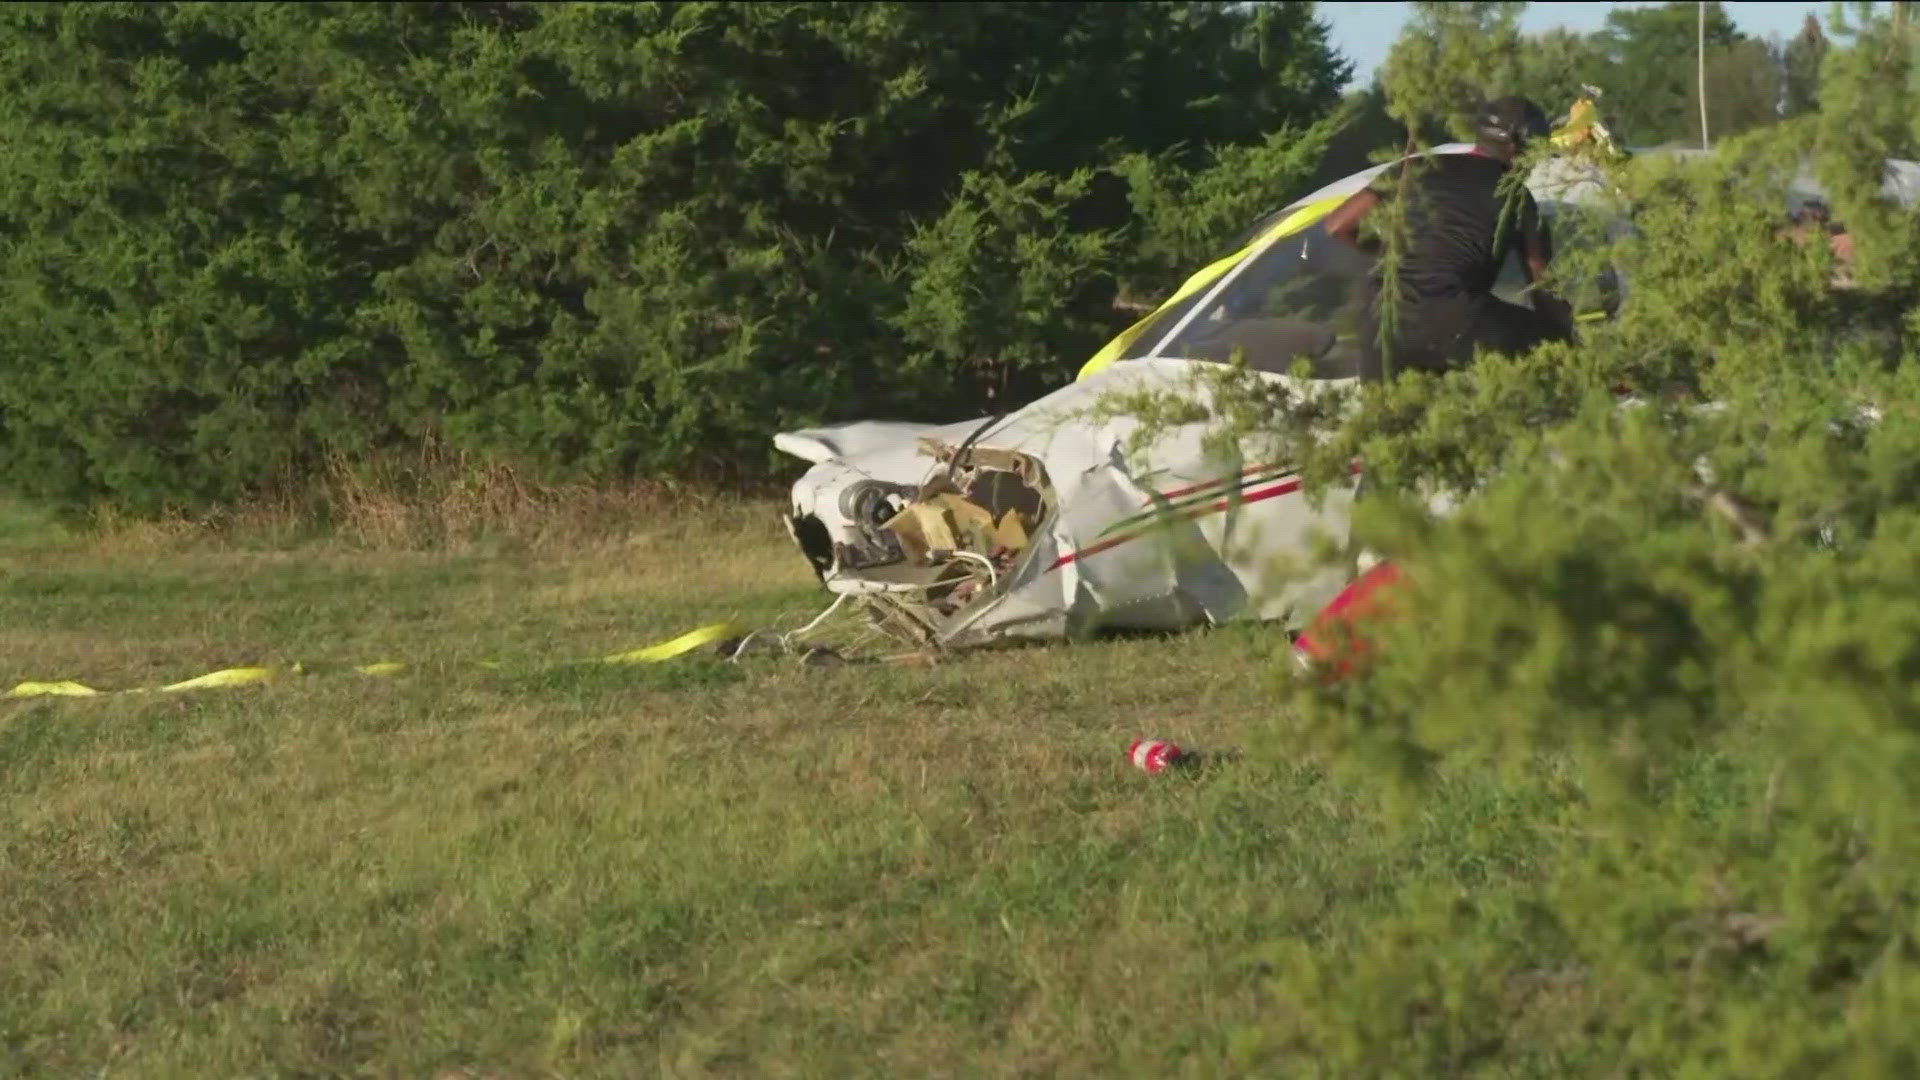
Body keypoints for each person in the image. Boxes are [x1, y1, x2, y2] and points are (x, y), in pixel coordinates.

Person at [1324, 96, 1576, 381]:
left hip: (1382, 322)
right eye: (1536, 151)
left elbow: (1337, 225)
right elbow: (1543, 287)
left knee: (1388, 421)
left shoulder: (1415, 166)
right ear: (1518, 146)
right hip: (1453, 319)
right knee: (1549, 340)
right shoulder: (1518, 197)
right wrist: (1573, 342)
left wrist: (1385, 253)